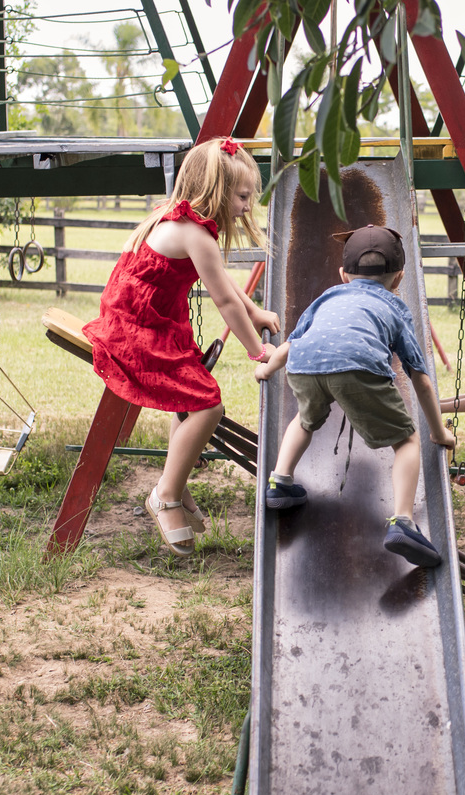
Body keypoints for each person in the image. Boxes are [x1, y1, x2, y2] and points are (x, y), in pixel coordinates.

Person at [83, 137, 279, 556]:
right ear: (217, 192)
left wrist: (256, 312)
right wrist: (258, 351)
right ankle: (165, 496)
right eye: (242, 197)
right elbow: (224, 300)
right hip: (137, 330)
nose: (248, 207)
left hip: (149, 319)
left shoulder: (178, 219)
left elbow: (223, 282)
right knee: (207, 405)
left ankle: (176, 481)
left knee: (190, 400)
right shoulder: (194, 233)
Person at [253, 225, 456, 567]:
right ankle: (403, 522)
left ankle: (280, 481)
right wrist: (439, 433)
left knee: (304, 420)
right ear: (399, 277)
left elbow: (292, 342)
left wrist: (268, 369)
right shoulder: (394, 306)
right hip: (358, 368)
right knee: (407, 441)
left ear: (343, 275)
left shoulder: (327, 297)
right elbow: (419, 378)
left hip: (304, 366)